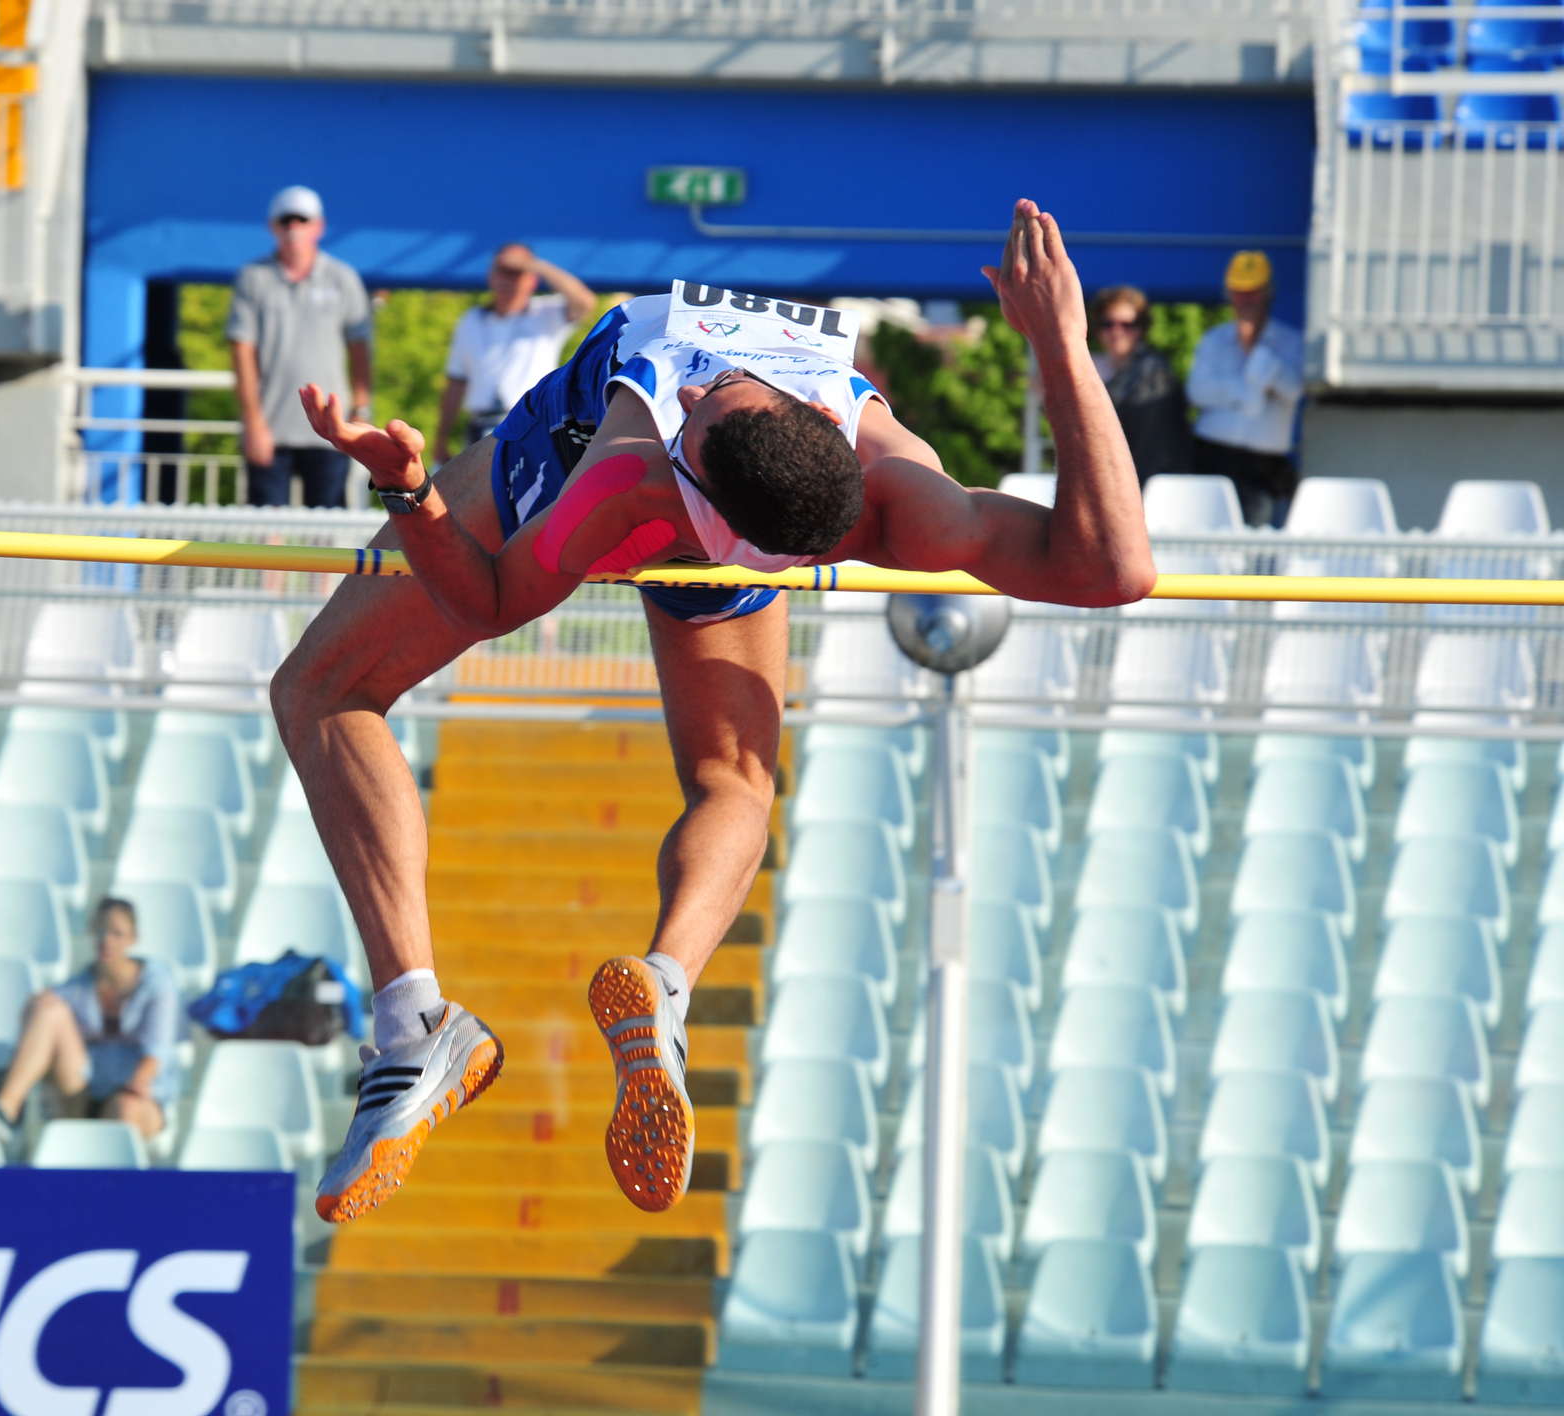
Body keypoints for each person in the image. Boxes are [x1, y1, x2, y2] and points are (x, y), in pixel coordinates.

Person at [272, 199, 1155, 1225]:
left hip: (602, 470)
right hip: (751, 525)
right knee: (734, 782)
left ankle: (415, 1028)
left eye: (700, 406)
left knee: (324, 690)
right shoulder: (896, 492)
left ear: (693, 469)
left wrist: (413, 493)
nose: (694, 387)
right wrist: (1060, 345)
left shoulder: (632, 470)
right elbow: (1115, 568)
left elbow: (487, 601)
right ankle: (664, 979)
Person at [0, 897, 182, 1146]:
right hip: (82, 1096)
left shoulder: (158, 984)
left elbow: (155, 1055)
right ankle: (6, 1109)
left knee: (124, 1109)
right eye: (101, 931)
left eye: (116, 933)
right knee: (46, 1010)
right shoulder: (79, 987)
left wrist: (136, 1085)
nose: (106, 940)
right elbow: (36, 1010)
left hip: (139, 1097)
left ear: (133, 938)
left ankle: (108, 1165)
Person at [228, 185, 374, 509]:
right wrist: (252, 423)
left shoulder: (342, 278)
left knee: (327, 528)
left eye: (302, 220)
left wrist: (360, 411)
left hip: (331, 428)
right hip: (270, 426)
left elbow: (360, 348)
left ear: (318, 226)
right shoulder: (253, 278)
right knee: (267, 528)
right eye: (286, 220)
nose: (293, 228)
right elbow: (242, 351)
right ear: (273, 226)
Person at [435, 244, 597, 462]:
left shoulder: (546, 313)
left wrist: (534, 265)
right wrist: (442, 437)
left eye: (516, 273)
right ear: (491, 276)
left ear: (532, 279)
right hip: (480, 426)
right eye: (502, 271)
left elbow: (585, 302)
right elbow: (457, 381)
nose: (507, 280)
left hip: (531, 423)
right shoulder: (471, 320)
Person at [1187, 250, 1305, 526]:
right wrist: (1249, 391)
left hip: (1264, 466)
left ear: (1268, 292)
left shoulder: (1291, 342)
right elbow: (1197, 391)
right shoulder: (1214, 340)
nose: (1246, 300)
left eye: (1253, 292)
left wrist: (1259, 355)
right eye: (1239, 292)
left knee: (1255, 540)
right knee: (1205, 532)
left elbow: (1295, 390)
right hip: (1213, 456)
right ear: (1229, 294)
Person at [1089, 285, 1192, 482]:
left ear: (1142, 328)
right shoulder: (1099, 367)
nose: (1117, 331)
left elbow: (1145, 438)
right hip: (1118, 477)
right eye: (1108, 324)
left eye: (1127, 324)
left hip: (1153, 482)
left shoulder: (1154, 372)